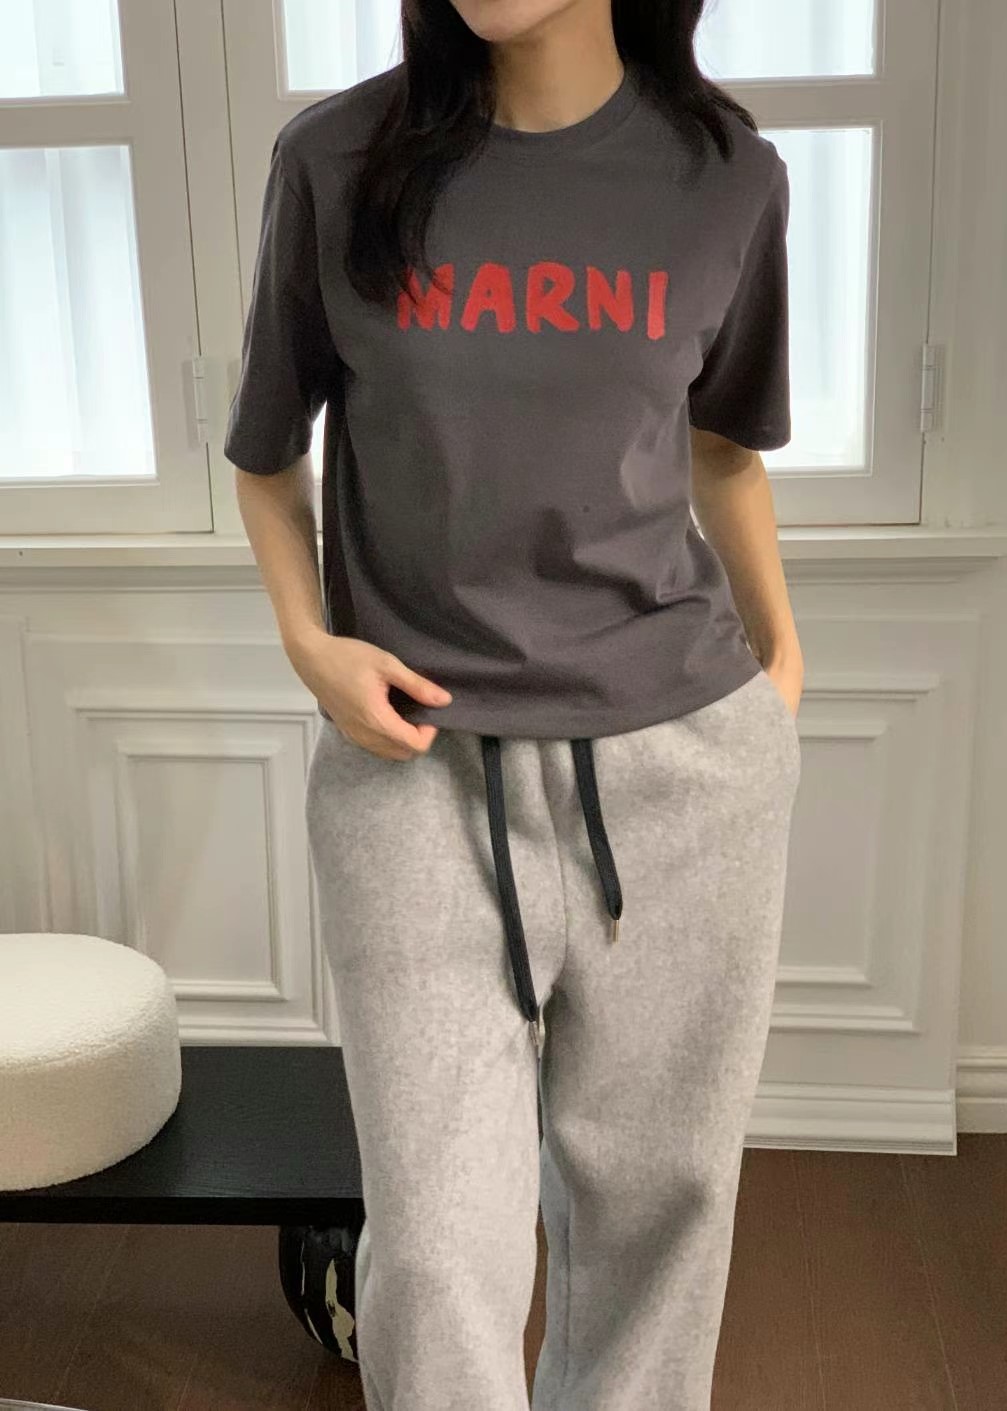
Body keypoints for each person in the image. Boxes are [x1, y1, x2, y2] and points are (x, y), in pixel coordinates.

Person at [224, 2, 804, 1407]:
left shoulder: (727, 175)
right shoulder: (336, 160)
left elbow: (724, 452)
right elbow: (265, 454)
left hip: (682, 768)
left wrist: (780, 669)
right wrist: (310, 646)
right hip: (412, 768)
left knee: (660, 1217)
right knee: (433, 1245)